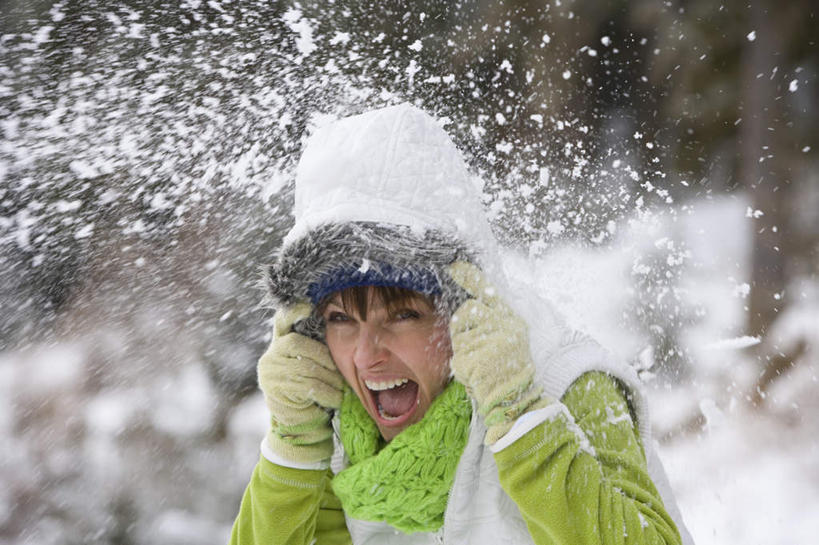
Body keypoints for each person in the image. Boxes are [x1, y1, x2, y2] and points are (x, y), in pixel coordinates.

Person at [230, 103, 694, 544]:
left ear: (465, 310)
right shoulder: (335, 423)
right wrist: (292, 450)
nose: (367, 354)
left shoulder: (567, 385)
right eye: (340, 320)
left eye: (404, 314)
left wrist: (521, 422)